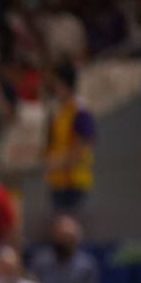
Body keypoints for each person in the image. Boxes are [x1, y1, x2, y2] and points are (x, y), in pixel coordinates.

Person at [45, 63, 96, 212]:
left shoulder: (79, 110)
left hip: (73, 183)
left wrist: (59, 162)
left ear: (64, 84)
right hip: (58, 181)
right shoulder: (60, 110)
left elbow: (84, 144)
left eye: (55, 83)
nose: (53, 88)